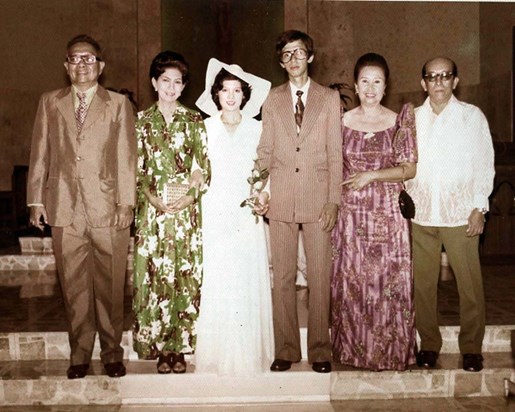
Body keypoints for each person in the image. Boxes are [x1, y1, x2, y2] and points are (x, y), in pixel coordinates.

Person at [27, 34, 137, 379]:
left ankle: (112, 353)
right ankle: (79, 355)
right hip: (63, 207)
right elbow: (40, 152)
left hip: (108, 208)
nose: (82, 65)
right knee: (72, 286)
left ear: (100, 67)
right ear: (66, 66)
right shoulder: (50, 102)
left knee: (110, 285)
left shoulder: (118, 104)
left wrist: (126, 204)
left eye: (88, 59)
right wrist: (35, 200)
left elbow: (126, 158)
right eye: (75, 59)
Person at [256, 30, 342, 373]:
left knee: (320, 275)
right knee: (283, 278)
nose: (294, 59)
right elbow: (265, 150)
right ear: (281, 62)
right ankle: (287, 349)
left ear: (311, 56)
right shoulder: (272, 99)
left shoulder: (329, 98)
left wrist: (334, 200)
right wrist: (257, 187)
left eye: (300, 52)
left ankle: (320, 349)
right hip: (281, 200)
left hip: (318, 198)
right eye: (287, 54)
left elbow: (336, 154)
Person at [406, 56, 495, 372]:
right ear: (423, 83)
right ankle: (429, 344)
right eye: (432, 76)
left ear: (455, 81)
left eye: (445, 76)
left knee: (470, 286)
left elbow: (484, 164)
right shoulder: (412, 119)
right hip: (422, 215)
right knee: (423, 286)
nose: (439, 82)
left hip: (460, 215)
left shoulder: (472, 117)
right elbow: (405, 165)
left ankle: (471, 347)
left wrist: (479, 207)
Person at [330, 53, 418, 371]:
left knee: (387, 283)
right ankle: (354, 352)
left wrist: (372, 175)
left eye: (377, 81)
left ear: (386, 86)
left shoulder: (399, 121)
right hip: (352, 217)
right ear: (355, 85)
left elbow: (408, 169)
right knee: (354, 282)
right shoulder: (340, 121)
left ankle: (390, 353)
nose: (370, 87)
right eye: (364, 81)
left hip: (387, 216)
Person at [133, 51, 211, 374]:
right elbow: (136, 172)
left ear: (183, 86)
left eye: (177, 82)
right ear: (154, 82)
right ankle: (161, 348)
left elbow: (202, 168)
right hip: (153, 215)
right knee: (155, 278)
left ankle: (179, 348)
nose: (171, 87)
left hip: (185, 215)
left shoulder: (194, 121)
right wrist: (153, 199)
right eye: (165, 80)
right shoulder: (140, 122)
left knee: (183, 277)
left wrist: (189, 197)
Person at [194, 58, 273, 375]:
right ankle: (216, 353)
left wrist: (264, 193)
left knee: (244, 278)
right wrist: (195, 178)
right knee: (219, 277)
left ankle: (247, 352)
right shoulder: (205, 128)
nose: (230, 96)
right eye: (224, 89)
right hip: (214, 212)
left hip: (245, 215)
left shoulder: (258, 128)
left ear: (245, 95)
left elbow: (268, 170)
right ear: (216, 94)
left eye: (236, 90)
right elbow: (197, 167)